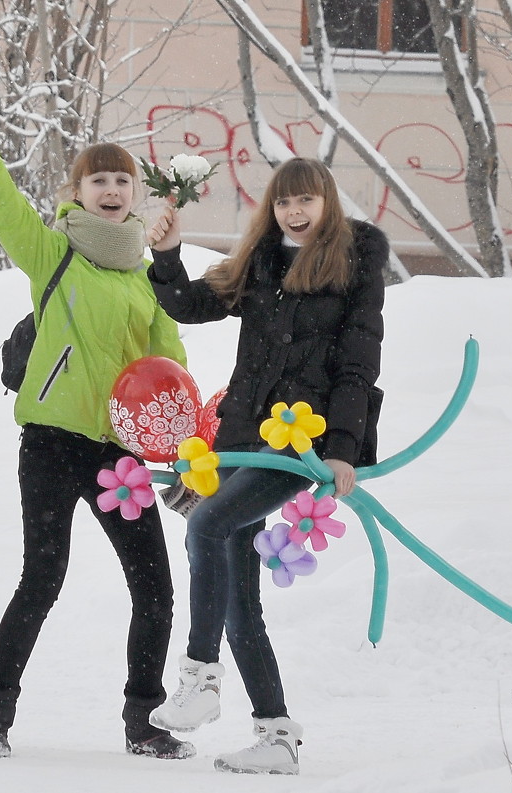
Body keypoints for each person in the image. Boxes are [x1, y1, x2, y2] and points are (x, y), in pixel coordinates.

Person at [0, 88, 193, 761]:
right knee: (42, 579)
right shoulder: (55, 252)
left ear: (135, 194)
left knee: (156, 589)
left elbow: (171, 363)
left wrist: (185, 440)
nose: (110, 189)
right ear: (78, 190)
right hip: (52, 443)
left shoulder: (145, 279)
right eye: (98, 179)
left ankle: (144, 720)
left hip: (120, 457)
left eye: (121, 179)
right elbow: (2, 205)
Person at [144, 157, 387, 775]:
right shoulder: (260, 261)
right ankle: (276, 735)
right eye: (284, 203)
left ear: (327, 203)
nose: (295, 213)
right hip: (246, 436)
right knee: (237, 593)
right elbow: (190, 306)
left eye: (306, 201)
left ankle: (199, 676)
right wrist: (168, 256)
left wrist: (342, 445)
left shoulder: (354, 263)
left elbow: (360, 358)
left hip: (302, 441)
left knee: (206, 525)